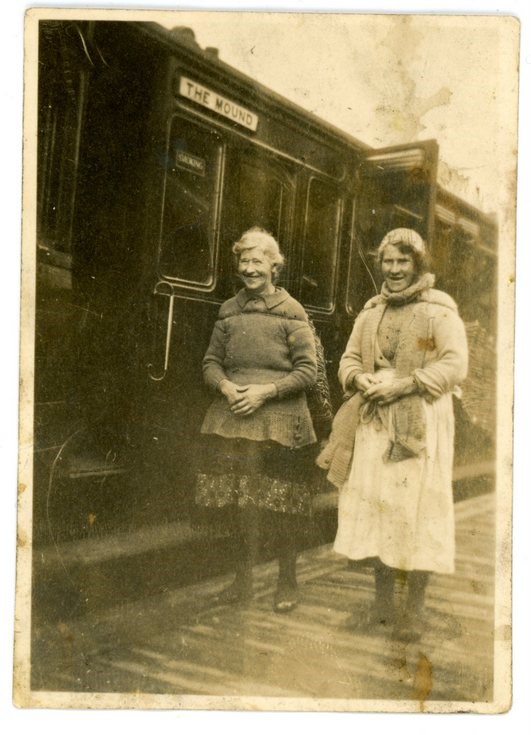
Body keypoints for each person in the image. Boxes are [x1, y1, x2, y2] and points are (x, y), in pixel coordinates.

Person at [330, 227, 468, 642]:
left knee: (417, 508)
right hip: (375, 423)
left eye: (402, 262)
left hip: (419, 421)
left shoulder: (438, 311)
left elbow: (455, 365)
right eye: (388, 262)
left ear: (417, 264)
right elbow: (348, 359)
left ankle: (415, 611)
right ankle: (382, 607)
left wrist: (404, 384)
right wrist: (360, 379)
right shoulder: (372, 312)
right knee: (380, 507)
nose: (394, 270)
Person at [195, 227, 318, 613]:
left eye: (258, 261)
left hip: (280, 421)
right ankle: (241, 583)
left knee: (282, 507)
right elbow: (210, 362)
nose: (250, 269)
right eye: (244, 261)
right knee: (237, 505)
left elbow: (307, 372)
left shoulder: (291, 311)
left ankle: (287, 584)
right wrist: (227, 388)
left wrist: (265, 392)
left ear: (274, 266)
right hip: (232, 419)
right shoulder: (229, 310)